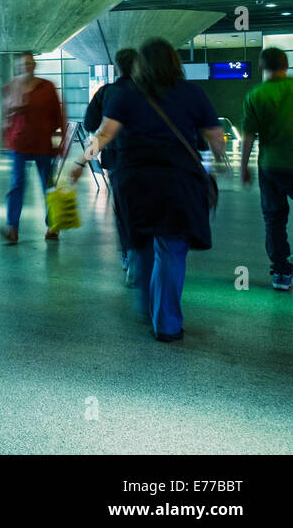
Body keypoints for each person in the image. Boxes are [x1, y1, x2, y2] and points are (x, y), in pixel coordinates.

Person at [72, 38, 227, 342]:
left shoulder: (125, 94)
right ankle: (166, 322)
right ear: (174, 62)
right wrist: (218, 155)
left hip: (135, 181)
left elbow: (104, 134)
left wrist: (81, 161)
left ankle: (146, 306)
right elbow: (216, 138)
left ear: (141, 63)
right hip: (178, 181)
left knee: (140, 242)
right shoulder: (193, 93)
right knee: (171, 247)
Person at [239, 47, 293, 291]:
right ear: (286, 64)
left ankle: (281, 272)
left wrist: (243, 167)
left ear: (261, 67)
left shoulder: (255, 95)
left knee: (274, 218)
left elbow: (249, 135)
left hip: (271, 166)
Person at [0, 52, 65, 245]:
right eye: (22, 64)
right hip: (19, 144)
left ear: (34, 65)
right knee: (16, 185)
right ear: (18, 67)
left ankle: (53, 226)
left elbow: (58, 115)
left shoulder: (47, 86)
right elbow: (6, 115)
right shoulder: (12, 87)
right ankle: (12, 228)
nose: (26, 67)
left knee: (48, 185)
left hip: (43, 144)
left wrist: (60, 141)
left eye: (29, 63)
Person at [85, 48, 138, 280]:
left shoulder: (107, 92)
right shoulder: (148, 91)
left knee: (124, 211)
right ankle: (147, 253)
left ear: (117, 68)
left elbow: (90, 123)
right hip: (148, 158)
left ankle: (129, 255)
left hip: (117, 160)